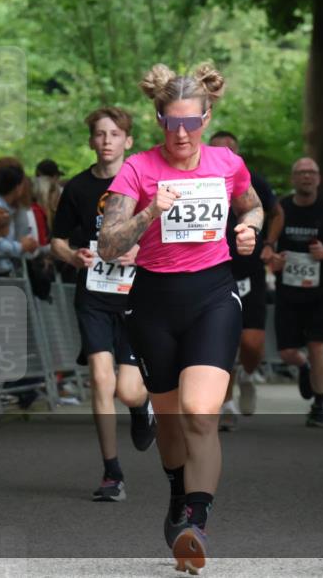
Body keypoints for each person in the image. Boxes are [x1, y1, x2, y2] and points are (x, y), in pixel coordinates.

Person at [98, 62, 263, 574]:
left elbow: (253, 207)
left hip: (213, 295)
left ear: (207, 117)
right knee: (170, 423)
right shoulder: (139, 169)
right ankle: (177, 490)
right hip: (154, 302)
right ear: (159, 122)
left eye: (193, 123)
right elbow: (108, 242)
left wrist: (249, 230)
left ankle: (196, 519)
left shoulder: (227, 162)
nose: (184, 134)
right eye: (173, 125)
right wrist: (151, 213)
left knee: (199, 412)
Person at [50, 106, 155, 502]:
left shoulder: (146, 184)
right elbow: (57, 240)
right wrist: (72, 255)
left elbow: (166, 237)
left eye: (115, 134)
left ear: (128, 141)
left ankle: (142, 407)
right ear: (92, 140)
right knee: (100, 379)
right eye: (100, 133)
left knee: (128, 390)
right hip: (93, 294)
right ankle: (112, 472)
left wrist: (140, 250)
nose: (107, 140)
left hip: (135, 295)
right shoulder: (76, 189)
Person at [265, 157, 323, 427]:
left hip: (322, 291)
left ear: (318, 179)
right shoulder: (280, 209)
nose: (306, 176)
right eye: (301, 172)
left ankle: (319, 404)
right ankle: (302, 366)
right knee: (286, 352)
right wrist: (274, 258)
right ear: (294, 178)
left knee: (318, 346)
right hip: (288, 291)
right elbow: (268, 248)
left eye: (311, 172)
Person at [207, 131, 279, 428]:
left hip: (249, 270)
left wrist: (269, 244)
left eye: (230, 151)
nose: (224, 156)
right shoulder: (199, 180)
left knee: (250, 342)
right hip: (215, 269)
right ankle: (225, 404)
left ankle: (248, 377)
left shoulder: (250, 179)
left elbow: (276, 213)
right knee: (223, 340)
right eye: (217, 150)